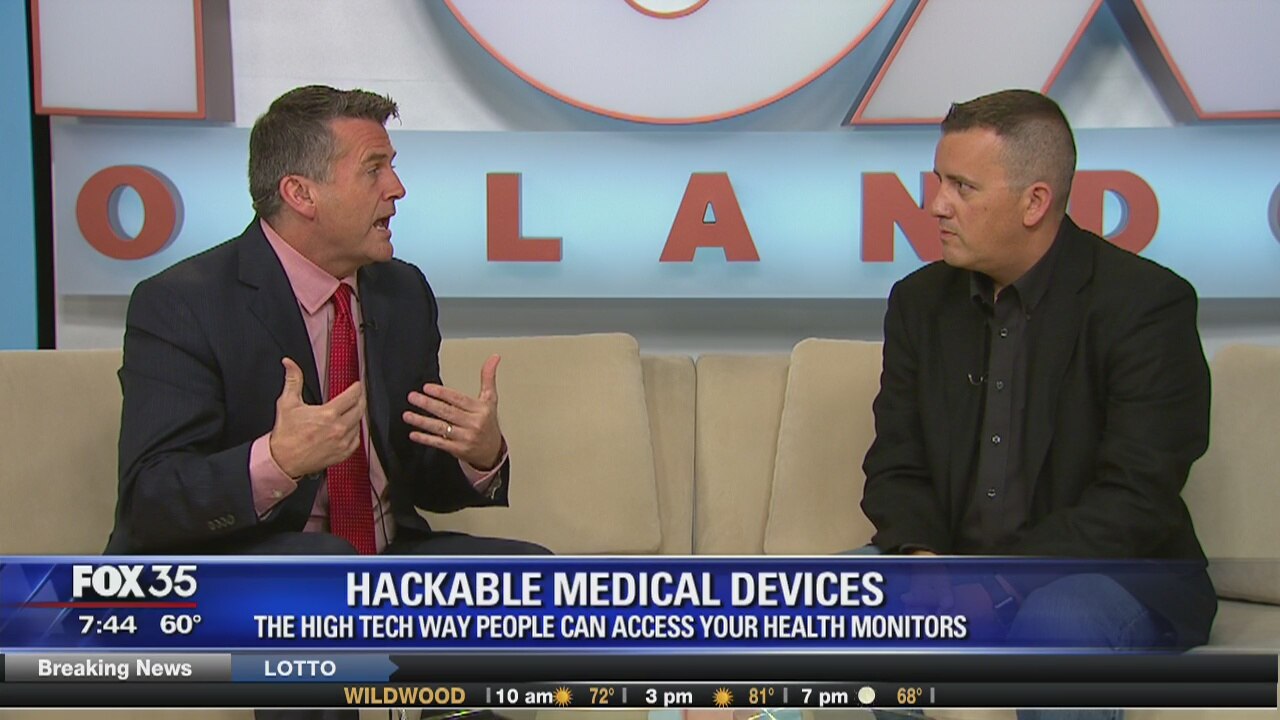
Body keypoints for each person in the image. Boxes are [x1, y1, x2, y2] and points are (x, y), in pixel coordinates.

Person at [109, 85, 547, 719]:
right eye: (374, 169)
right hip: (246, 566)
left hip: (380, 565)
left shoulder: (401, 291)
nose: (397, 189)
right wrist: (278, 460)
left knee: (533, 582)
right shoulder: (183, 302)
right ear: (300, 193)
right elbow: (149, 497)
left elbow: (416, 474)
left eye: (393, 167)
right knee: (321, 576)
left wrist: (476, 456)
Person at [859, 89, 1215, 720]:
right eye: (939, 180)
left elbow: (1135, 498)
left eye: (963, 187)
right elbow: (897, 464)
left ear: (1035, 202)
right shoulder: (918, 303)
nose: (936, 204)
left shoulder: (1144, 305)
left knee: (1059, 620)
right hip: (953, 571)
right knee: (812, 603)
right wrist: (921, 562)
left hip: (1106, 577)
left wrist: (999, 584)